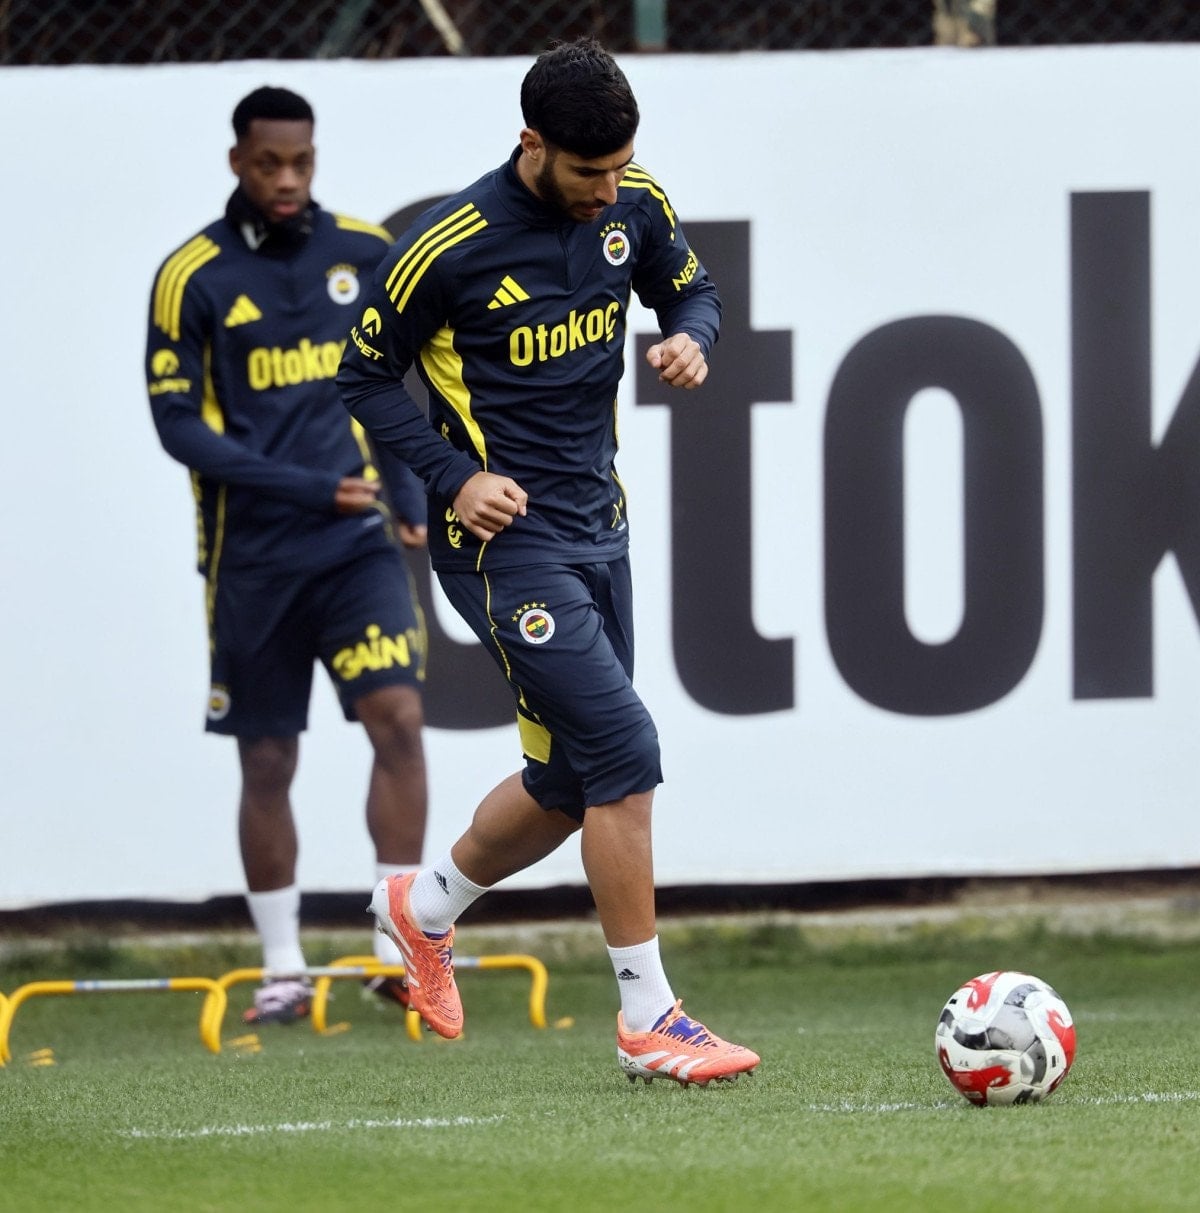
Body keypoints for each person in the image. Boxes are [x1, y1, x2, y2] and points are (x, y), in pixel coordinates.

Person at [338, 37, 759, 1085]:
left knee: (570, 782)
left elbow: (694, 291)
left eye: (621, 168)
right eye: (588, 172)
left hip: (599, 528)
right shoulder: (450, 246)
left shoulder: (633, 203)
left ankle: (423, 906)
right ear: (531, 142)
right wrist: (452, 476)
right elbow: (364, 375)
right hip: (500, 547)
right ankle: (649, 1017)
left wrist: (694, 337)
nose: (608, 190)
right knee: (625, 748)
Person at [145, 86, 429, 1025]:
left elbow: (395, 385)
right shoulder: (192, 275)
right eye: (269, 163)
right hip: (252, 556)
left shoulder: (365, 252)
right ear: (238, 162)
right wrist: (308, 486)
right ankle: (282, 969)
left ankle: (396, 952)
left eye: (301, 161)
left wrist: (410, 494)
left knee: (398, 718)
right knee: (267, 758)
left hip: (356, 547)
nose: (287, 179)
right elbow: (178, 428)